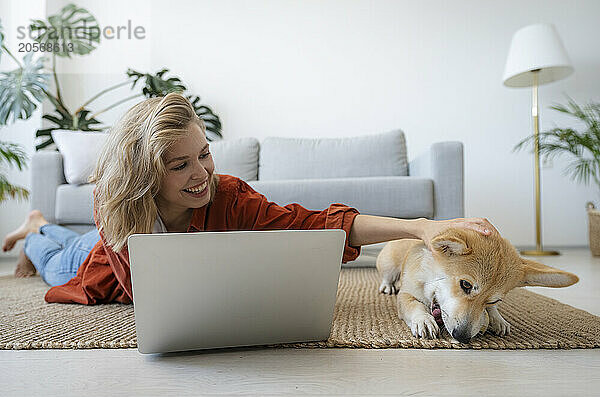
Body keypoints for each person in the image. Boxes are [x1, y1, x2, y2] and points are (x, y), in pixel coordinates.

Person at [1, 93, 499, 305]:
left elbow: (318, 223)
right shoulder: (116, 206)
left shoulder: (229, 196)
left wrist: (420, 227)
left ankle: (40, 227)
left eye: (204, 154)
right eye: (180, 166)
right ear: (146, 176)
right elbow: (144, 298)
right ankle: (36, 225)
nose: (202, 175)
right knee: (55, 258)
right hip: (93, 259)